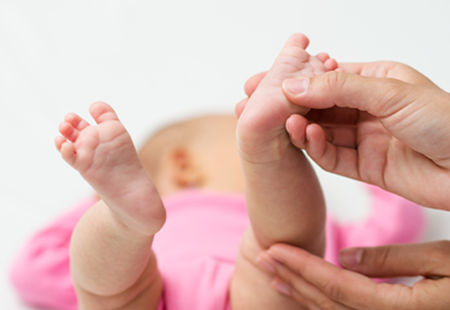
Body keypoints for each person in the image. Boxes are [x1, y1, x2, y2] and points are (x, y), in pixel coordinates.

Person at [10, 35, 423, 310]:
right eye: (234, 145)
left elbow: (33, 266)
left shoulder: (314, 214)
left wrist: (386, 147)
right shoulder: (316, 217)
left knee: (110, 290)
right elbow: (397, 227)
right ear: (184, 165)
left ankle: (122, 220)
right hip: (258, 291)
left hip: (152, 297)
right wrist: (392, 156)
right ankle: (265, 147)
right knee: (286, 249)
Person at [250, 61, 450, 309]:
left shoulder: (326, 231)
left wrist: (387, 166)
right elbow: (400, 222)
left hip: (264, 280)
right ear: (185, 166)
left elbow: (400, 223)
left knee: (278, 251)